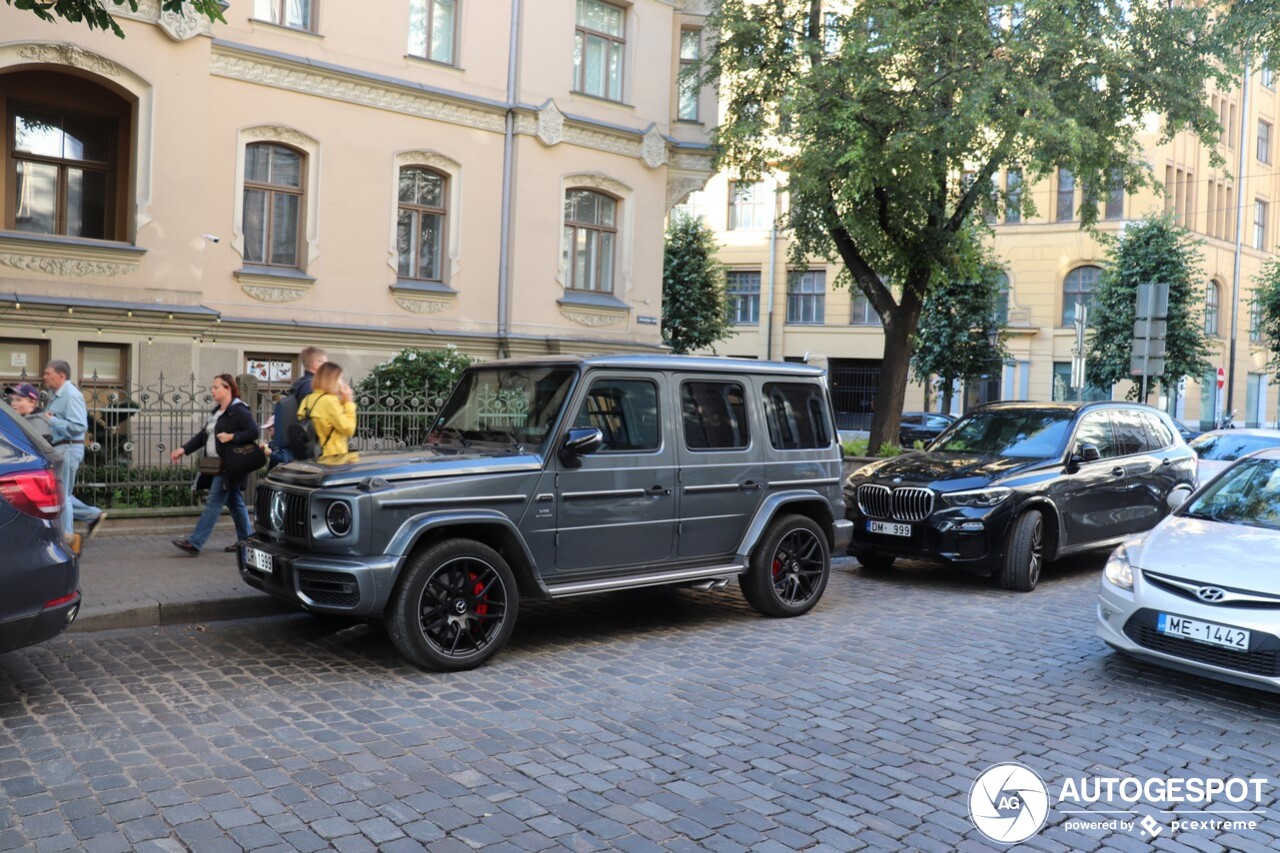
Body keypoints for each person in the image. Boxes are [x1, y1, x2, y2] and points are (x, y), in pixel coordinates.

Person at [169, 374, 259, 555]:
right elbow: (203, 437)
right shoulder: (217, 411)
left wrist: (232, 437)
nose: (212, 390)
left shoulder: (239, 410)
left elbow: (253, 432)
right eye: (213, 387)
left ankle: (195, 542)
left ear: (228, 389)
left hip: (229, 465)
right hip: (217, 464)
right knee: (235, 503)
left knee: (213, 502)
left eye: (216, 387)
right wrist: (183, 449)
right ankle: (247, 542)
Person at [41, 361, 106, 541]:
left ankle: (68, 539)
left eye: (48, 373)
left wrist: (52, 421)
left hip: (69, 447)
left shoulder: (71, 395)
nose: (44, 376)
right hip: (60, 446)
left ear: (61, 376)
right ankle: (92, 515)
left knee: (62, 495)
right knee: (60, 493)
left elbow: (79, 426)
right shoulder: (55, 395)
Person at [270, 346, 328, 466]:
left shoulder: (300, 384)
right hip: (309, 452)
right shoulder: (311, 387)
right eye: (325, 363)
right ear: (315, 365)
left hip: (298, 449)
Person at [297, 362, 358, 457]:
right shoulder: (330, 401)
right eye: (341, 379)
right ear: (332, 380)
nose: (343, 383)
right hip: (332, 458)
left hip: (311, 455)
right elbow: (348, 429)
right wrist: (348, 403)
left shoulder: (307, 399)